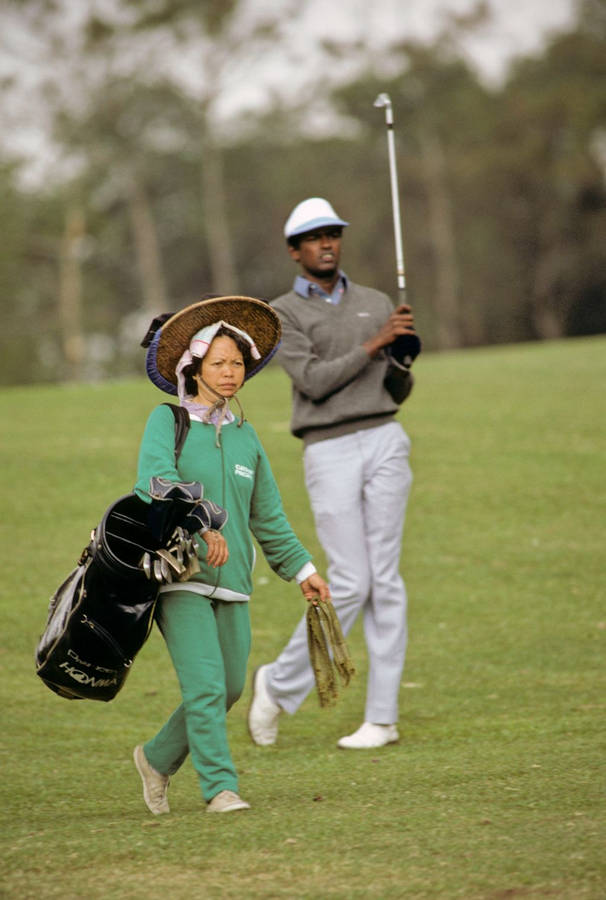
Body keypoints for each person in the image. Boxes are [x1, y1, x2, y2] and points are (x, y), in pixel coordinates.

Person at [132, 295, 330, 814]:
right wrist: (202, 520)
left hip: (236, 580)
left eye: (237, 363)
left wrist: (303, 569)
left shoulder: (247, 440)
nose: (229, 372)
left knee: (230, 689)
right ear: (193, 368)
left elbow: (268, 517)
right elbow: (155, 483)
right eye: (218, 363)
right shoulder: (166, 420)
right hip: (180, 575)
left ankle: (155, 759)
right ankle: (220, 788)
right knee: (205, 685)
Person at [247, 197, 418, 750]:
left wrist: (403, 358)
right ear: (295, 252)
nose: (327, 243)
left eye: (333, 234)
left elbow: (395, 389)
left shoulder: (375, 301)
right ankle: (277, 683)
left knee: (386, 581)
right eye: (314, 237)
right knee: (349, 582)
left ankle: (383, 719)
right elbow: (314, 381)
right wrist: (376, 344)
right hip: (329, 448)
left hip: (385, 438)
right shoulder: (281, 314)